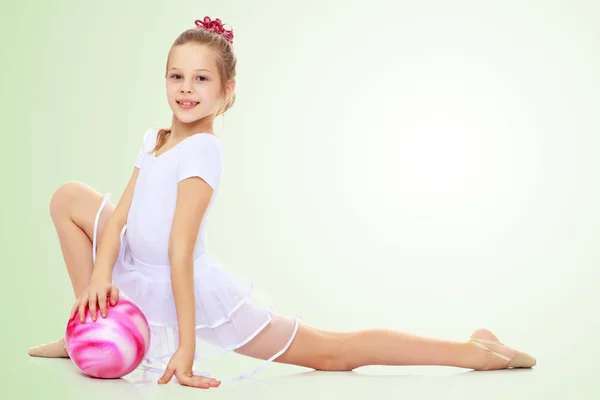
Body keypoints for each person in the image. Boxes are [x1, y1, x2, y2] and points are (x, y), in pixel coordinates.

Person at [27, 16, 536, 389]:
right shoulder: (156, 139)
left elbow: (180, 250)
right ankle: (87, 328)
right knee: (68, 197)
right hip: (137, 268)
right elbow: (118, 219)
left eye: (201, 79)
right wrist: (99, 279)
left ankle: (478, 353)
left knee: (333, 353)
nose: (186, 89)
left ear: (227, 91)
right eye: (176, 76)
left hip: (191, 289)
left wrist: (185, 346)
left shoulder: (203, 150)